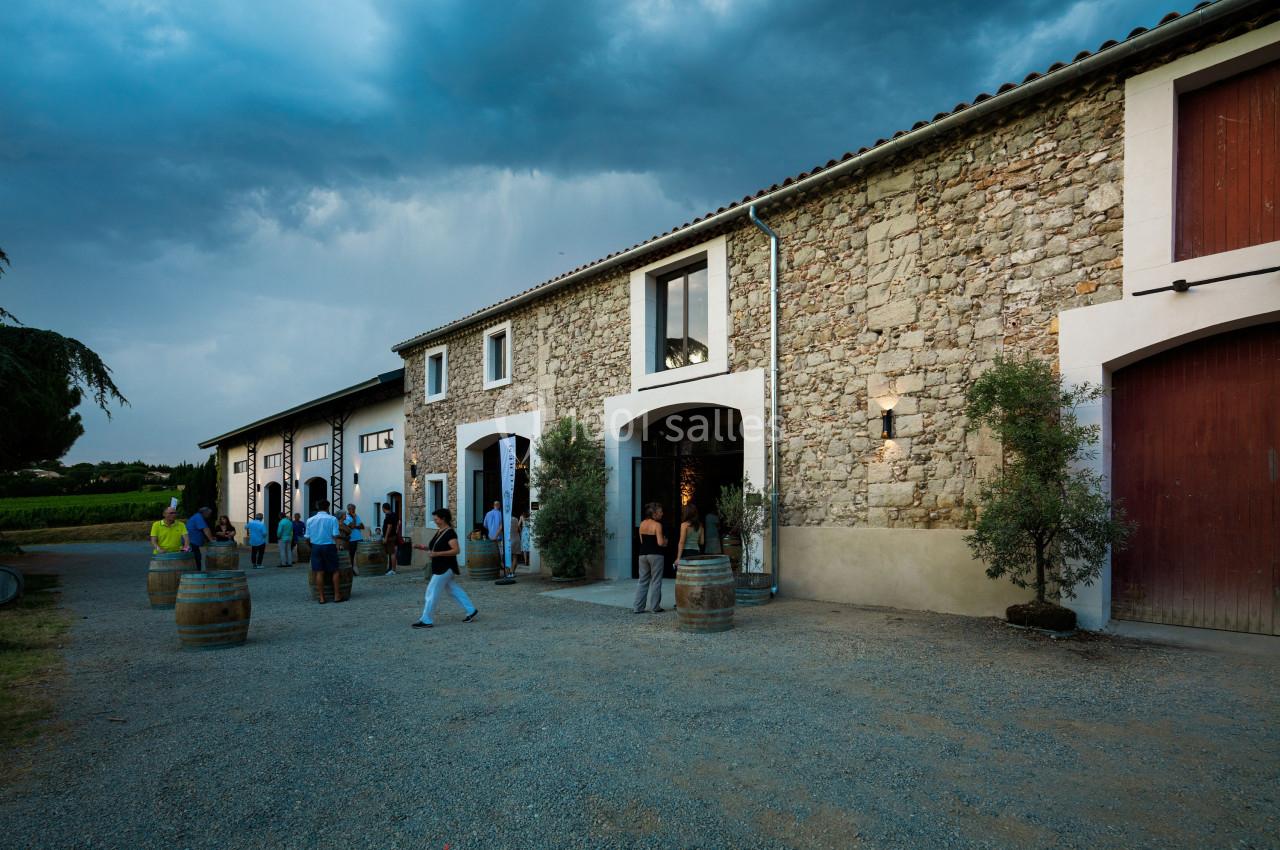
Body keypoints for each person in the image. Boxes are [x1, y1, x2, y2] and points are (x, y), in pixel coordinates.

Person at [411, 508, 477, 628]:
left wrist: (436, 554)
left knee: (431, 592)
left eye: (436, 518)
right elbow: (435, 547)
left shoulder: (450, 533)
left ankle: (426, 620)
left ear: (443, 519)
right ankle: (471, 610)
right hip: (442, 567)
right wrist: (420, 547)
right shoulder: (440, 531)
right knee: (453, 591)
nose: (434, 520)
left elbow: (456, 550)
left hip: (445, 568)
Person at [305, 500, 344, 603]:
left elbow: (307, 537)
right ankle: (336, 596)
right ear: (328, 507)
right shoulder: (332, 519)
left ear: (318, 507)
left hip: (316, 547)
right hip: (329, 546)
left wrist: (311, 546)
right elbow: (335, 534)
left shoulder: (310, 520)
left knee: (319, 572)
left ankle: (322, 598)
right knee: (335, 571)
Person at [634, 502, 667, 614]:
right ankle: (655, 607)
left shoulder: (642, 524)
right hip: (656, 555)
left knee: (642, 580)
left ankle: (638, 607)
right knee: (656, 581)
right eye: (660, 512)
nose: (662, 514)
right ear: (654, 513)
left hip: (642, 555)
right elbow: (660, 542)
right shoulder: (657, 525)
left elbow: (642, 541)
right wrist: (665, 542)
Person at [340, 504, 365, 572]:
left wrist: (355, 526)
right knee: (351, 555)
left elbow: (362, 526)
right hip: (352, 539)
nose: (354, 510)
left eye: (354, 509)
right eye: (352, 509)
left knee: (360, 554)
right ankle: (351, 570)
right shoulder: (346, 517)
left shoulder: (357, 516)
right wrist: (354, 520)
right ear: (348, 509)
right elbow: (352, 526)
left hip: (359, 538)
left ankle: (360, 569)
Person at [381, 503, 401, 576]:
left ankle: (393, 570)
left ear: (384, 508)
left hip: (390, 537)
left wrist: (386, 537)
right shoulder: (394, 514)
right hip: (394, 536)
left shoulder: (389, 516)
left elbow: (389, 527)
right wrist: (396, 530)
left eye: (382, 508)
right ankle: (391, 568)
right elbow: (399, 522)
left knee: (392, 553)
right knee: (393, 552)